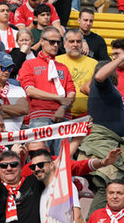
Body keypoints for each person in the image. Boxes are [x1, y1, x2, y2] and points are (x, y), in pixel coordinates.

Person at [77, 58, 124, 220]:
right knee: (108, 186)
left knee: (111, 188)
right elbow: (98, 77)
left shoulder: (104, 90)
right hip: (99, 145)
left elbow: (84, 87)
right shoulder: (102, 84)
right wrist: (121, 58)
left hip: (106, 143)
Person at [18, 26, 76, 156]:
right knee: (39, 158)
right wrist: (58, 98)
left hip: (64, 117)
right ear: (42, 41)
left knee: (64, 161)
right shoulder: (29, 64)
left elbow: (71, 92)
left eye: (58, 42)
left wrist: (63, 107)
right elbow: (30, 91)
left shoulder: (63, 67)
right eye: (52, 42)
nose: (55, 45)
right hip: (40, 116)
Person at [0, 145, 43, 223]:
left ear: (20, 167)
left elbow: (50, 166)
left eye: (13, 164)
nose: (9, 168)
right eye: (4, 166)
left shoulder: (33, 181)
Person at [29, 149, 82, 223]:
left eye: (40, 165)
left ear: (51, 165)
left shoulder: (64, 185)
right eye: (33, 167)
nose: (36, 169)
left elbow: (77, 217)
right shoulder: (42, 192)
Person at [56, 29, 98, 118]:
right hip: (60, 115)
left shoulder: (94, 63)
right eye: (71, 41)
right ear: (64, 44)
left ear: (82, 44)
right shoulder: (55, 61)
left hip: (87, 116)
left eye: (78, 41)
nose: (75, 44)